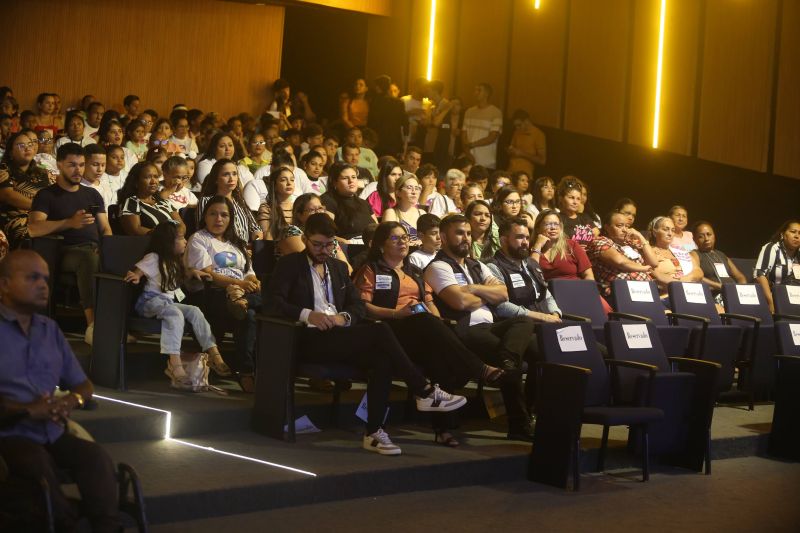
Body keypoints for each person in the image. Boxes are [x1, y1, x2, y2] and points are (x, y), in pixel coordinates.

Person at [267, 213, 466, 455]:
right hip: (307, 337)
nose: (323, 250)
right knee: (380, 330)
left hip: (339, 334)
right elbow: (273, 303)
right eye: (317, 244)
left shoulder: (338, 267)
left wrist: (345, 317)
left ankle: (374, 433)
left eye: (329, 245)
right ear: (306, 239)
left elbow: (357, 306)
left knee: (381, 358)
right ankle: (423, 390)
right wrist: (308, 314)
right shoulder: (290, 265)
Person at [0, 249, 121, 532]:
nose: (43, 285)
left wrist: (72, 400)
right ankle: (66, 523)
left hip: (51, 429)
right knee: (35, 462)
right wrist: (29, 410)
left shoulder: (49, 329)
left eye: (46, 278)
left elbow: (82, 384)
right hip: (8, 432)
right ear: (4, 284)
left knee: (95, 458)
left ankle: (108, 526)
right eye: (32, 277)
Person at [354, 222, 504, 446]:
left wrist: (437, 323)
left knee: (437, 346)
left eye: (405, 237)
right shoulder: (372, 269)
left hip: (416, 329)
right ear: (381, 244)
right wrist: (396, 314)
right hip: (386, 329)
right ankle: (477, 368)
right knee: (425, 323)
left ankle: (443, 429)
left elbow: (428, 301)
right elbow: (363, 307)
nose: (402, 242)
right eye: (395, 238)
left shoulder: (414, 271)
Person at [425, 214, 538, 440]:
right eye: (459, 233)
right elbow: (459, 302)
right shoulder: (438, 266)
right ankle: (519, 425)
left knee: (531, 331)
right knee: (516, 360)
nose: (466, 238)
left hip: (492, 326)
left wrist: (471, 289)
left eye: (468, 233)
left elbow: (504, 294)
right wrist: (485, 294)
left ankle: (529, 401)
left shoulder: (476, 265)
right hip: (464, 330)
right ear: (443, 237)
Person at [124, 222, 232, 386]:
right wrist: (137, 276)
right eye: (181, 238)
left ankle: (214, 353)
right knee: (175, 314)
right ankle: (175, 363)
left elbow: (183, 274)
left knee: (194, 311)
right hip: (149, 301)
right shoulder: (154, 257)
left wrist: (193, 272)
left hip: (167, 302)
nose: (185, 241)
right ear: (168, 241)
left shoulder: (175, 261)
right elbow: (140, 270)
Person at [28, 143, 113, 345]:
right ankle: (93, 326)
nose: (78, 170)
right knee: (88, 258)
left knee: (119, 260)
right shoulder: (46, 195)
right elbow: (34, 228)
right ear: (59, 165)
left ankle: (117, 325)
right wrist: (69, 223)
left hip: (95, 248)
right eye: (72, 165)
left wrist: (110, 247)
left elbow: (106, 228)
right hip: (63, 251)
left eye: (82, 165)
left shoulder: (92, 194)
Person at [185, 196, 261, 392]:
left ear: (230, 219)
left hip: (240, 293)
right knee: (250, 313)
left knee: (248, 312)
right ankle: (246, 373)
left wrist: (252, 283)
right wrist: (237, 284)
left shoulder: (237, 243)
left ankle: (240, 301)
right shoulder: (199, 239)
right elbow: (208, 275)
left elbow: (250, 274)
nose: (218, 219)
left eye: (224, 215)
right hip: (211, 293)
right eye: (213, 214)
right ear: (205, 216)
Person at [0, 130, 53, 248]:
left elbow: (50, 196)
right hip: (15, 218)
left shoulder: (42, 172)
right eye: (21, 145)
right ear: (10, 152)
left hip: (42, 216)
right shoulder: (4, 169)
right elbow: (7, 195)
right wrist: (39, 207)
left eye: (30, 145)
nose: (27, 148)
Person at [197, 158, 261, 242]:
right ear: (216, 179)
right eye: (226, 174)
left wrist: (256, 240)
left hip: (245, 250)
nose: (231, 178)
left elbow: (255, 228)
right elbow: (205, 232)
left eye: (234, 174)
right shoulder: (206, 201)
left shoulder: (240, 201)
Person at [530, 209, 596, 283]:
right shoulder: (532, 250)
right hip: (548, 293)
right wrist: (538, 245)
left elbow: (588, 275)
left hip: (576, 291)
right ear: (538, 229)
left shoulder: (571, 245)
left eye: (556, 224)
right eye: (547, 224)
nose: (553, 228)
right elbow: (532, 274)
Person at [118, 162, 183, 235]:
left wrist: (177, 235)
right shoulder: (131, 202)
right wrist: (163, 236)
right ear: (136, 182)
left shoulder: (164, 202)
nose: (153, 181)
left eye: (156, 177)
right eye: (148, 177)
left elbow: (181, 225)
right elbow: (135, 229)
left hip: (173, 242)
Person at [648, 215, 702, 300]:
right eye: (666, 229)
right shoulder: (649, 252)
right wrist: (679, 284)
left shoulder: (679, 250)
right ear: (655, 232)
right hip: (667, 297)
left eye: (673, 230)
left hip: (690, 292)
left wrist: (681, 281)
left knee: (718, 309)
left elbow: (698, 272)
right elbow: (658, 276)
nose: (670, 234)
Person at [320, 162, 377, 242]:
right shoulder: (328, 200)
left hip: (372, 243)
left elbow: (377, 228)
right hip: (348, 247)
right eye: (345, 178)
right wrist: (344, 242)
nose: (351, 181)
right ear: (334, 182)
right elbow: (324, 233)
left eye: (353, 177)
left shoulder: (364, 203)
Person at [691, 220, 747, 301]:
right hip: (715, 294)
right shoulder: (695, 254)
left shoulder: (721, 254)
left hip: (734, 292)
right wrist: (718, 286)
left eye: (709, 234)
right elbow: (697, 277)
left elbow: (739, 276)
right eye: (701, 236)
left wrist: (742, 289)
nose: (706, 238)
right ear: (694, 239)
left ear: (714, 236)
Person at [754, 219, 800, 313]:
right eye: (793, 232)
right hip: (776, 298)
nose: (797, 236)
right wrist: (771, 303)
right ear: (783, 235)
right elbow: (759, 274)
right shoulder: (772, 248)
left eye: (799, 233)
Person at [461, 83, 503, 169]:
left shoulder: (496, 112)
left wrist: (472, 144)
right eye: (475, 90)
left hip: (486, 161)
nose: (475, 93)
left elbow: (492, 137)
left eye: (479, 90)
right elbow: (463, 134)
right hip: (468, 159)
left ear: (487, 94)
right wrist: (467, 152)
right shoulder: (469, 111)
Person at [368, 75, 408, 157]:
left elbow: (371, 122)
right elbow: (405, 123)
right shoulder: (398, 102)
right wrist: (405, 142)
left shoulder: (374, 102)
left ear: (379, 87)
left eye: (376, 86)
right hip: (394, 140)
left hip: (378, 140)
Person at [481, 186, 523, 259]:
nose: (515, 206)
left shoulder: (523, 221)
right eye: (510, 202)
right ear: (499, 204)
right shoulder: (492, 221)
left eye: (517, 201)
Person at [382, 174, 425, 244]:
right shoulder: (391, 213)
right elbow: (388, 238)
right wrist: (406, 243)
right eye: (409, 187)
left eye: (417, 188)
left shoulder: (422, 213)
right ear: (398, 192)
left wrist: (422, 241)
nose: (414, 192)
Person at [557, 177, 598, 248]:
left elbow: (596, 232)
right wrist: (576, 248)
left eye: (578, 199)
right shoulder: (557, 218)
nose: (575, 202)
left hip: (588, 252)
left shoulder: (584, 217)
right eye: (571, 197)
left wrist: (588, 246)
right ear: (561, 198)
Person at [257, 167, 295, 240]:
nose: (289, 183)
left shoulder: (297, 207)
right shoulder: (266, 208)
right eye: (283, 180)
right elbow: (267, 236)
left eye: (292, 180)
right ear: (275, 185)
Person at [507, 109, 546, 177]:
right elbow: (512, 148)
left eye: (519, 125)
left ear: (527, 121)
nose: (517, 128)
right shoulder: (517, 132)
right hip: (510, 171)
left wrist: (521, 154)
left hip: (525, 175)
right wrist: (510, 151)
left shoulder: (538, 134)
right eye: (515, 126)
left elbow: (542, 160)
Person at [79, 144, 116, 210]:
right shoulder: (78, 188)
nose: (100, 169)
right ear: (83, 164)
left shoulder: (107, 180)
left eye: (103, 165)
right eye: (95, 165)